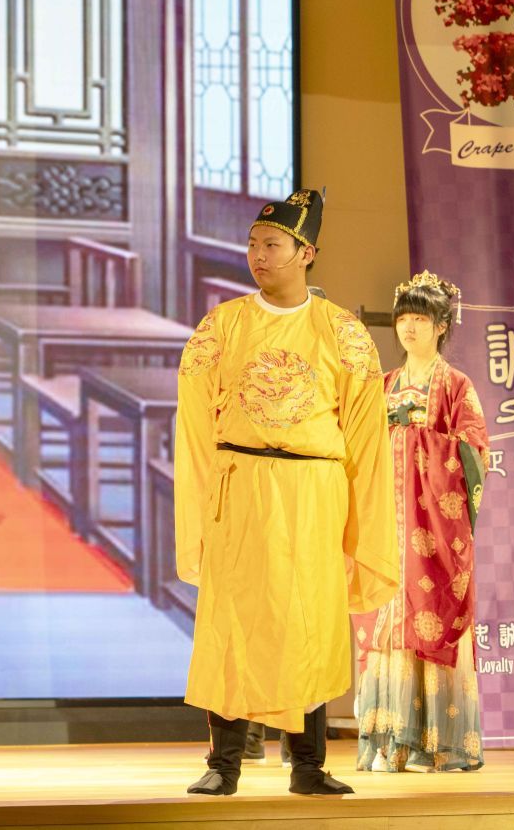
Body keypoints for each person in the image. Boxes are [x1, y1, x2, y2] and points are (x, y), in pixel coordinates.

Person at [174, 188, 400, 796]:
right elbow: (194, 423)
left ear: (307, 253)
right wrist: (201, 503)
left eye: (272, 245)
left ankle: (308, 765)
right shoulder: (222, 326)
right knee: (233, 618)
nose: (258, 255)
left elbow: (365, 437)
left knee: (311, 619)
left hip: (313, 492)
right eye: (253, 244)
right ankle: (223, 764)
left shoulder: (343, 333)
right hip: (241, 487)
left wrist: (359, 523)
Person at [352, 272, 488, 772]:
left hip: (431, 533)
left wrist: (417, 437)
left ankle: (433, 741)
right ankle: (392, 739)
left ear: (441, 325)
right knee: (387, 621)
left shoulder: (455, 386)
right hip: (386, 525)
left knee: (428, 614)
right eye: (404, 318)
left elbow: (474, 453)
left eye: (421, 319)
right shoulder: (385, 385)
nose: (409, 328)